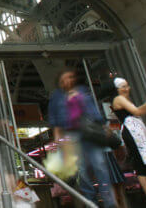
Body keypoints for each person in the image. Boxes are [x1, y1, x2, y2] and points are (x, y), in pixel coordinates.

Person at [48, 69, 117, 208]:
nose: (68, 80)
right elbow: (55, 121)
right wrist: (57, 140)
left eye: (70, 77)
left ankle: (109, 202)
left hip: (90, 134)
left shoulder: (82, 91)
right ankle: (91, 202)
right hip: (71, 135)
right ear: (60, 81)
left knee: (100, 167)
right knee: (82, 171)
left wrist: (104, 126)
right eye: (65, 78)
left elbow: (93, 110)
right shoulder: (57, 96)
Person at [111, 78, 146, 208]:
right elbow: (137, 111)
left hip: (136, 130)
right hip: (131, 132)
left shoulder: (126, 100)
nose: (126, 89)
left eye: (127, 86)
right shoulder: (119, 99)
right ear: (117, 89)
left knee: (145, 164)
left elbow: (140, 111)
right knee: (141, 164)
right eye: (122, 87)